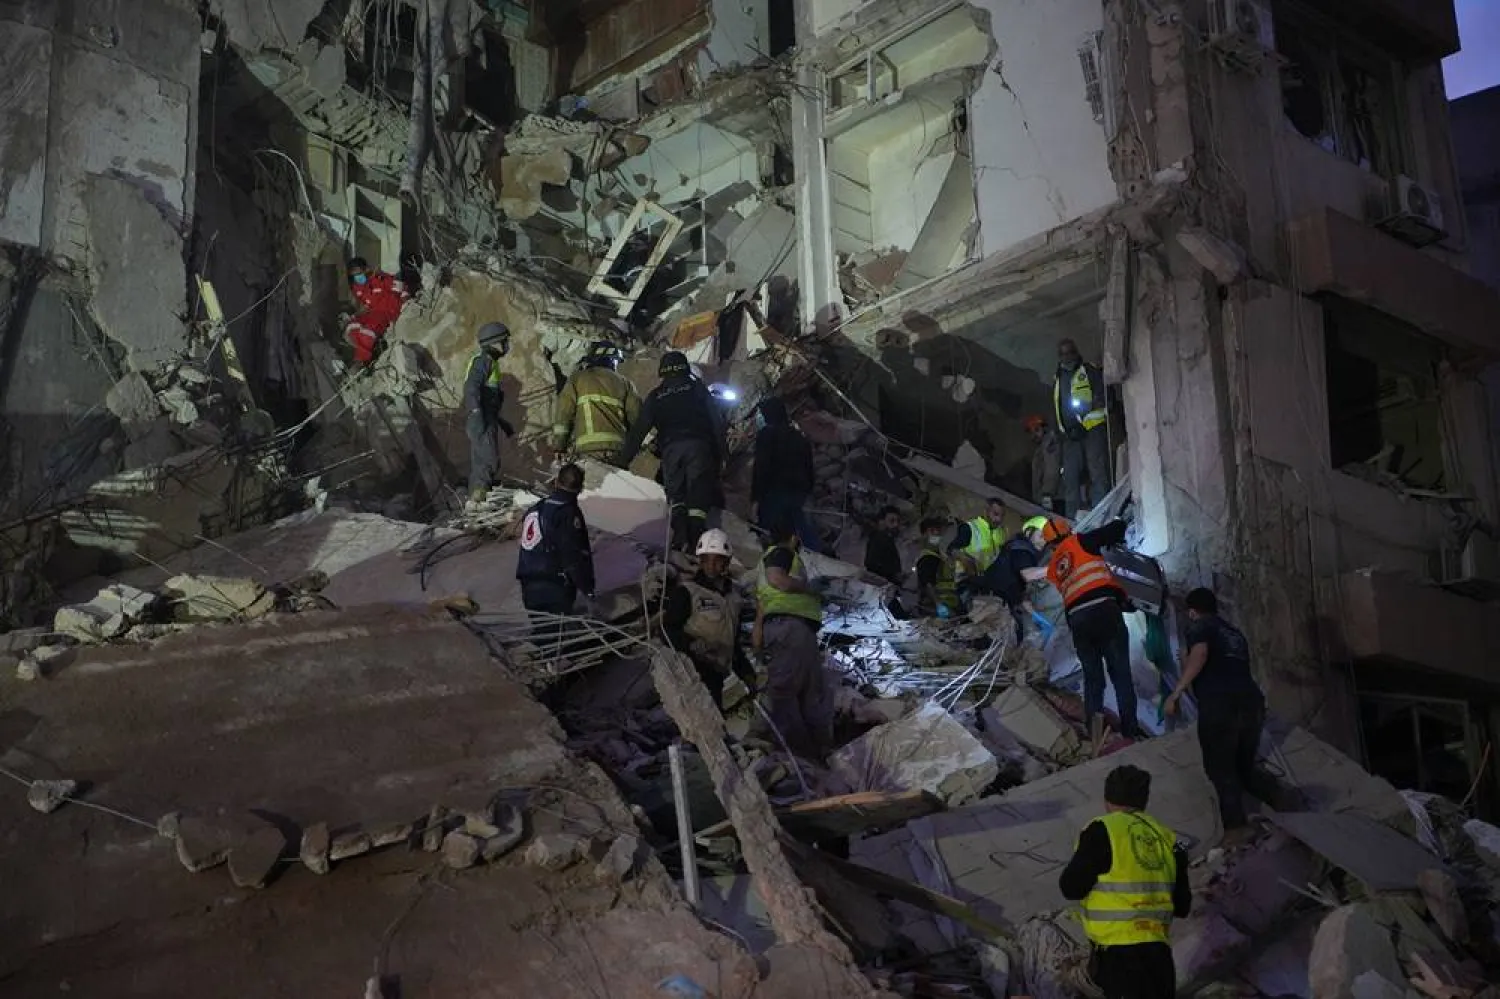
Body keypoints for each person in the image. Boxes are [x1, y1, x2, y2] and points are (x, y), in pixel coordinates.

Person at [1059, 765, 1191, 999]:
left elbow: (1071, 887)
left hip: (1119, 956)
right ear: (1144, 801)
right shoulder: (1168, 839)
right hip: (1159, 955)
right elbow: (1182, 906)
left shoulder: (1103, 829)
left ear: (1107, 798)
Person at [1164, 588, 1277, 838]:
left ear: (1193, 611)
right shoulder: (1235, 634)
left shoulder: (1199, 626)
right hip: (1251, 703)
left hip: (1220, 705)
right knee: (1243, 767)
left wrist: (1176, 692)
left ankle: (1236, 832)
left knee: (1221, 769)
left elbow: (1201, 655)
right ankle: (1283, 803)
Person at [1024, 515, 1142, 739]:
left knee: (1093, 680)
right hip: (1104, 611)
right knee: (1121, 676)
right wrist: (1119, 520)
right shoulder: (1082, 541)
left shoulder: (1055, 568)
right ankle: (1130, 733)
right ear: (1069, 532)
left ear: (1050, 545)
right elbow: (1116, 528)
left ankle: (1095, 736)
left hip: (1078, 622)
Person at [616, 351, 725, 553]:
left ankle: (680, 538)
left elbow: (639, 430)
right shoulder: (697, 389)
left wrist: (622, 461)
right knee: (698, 495)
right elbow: (716, 422)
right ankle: (695, 540)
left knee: (676, 496)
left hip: (671, 449)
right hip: (699, 447)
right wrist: (722, 454)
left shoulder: (656, 396)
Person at [752, 516, 831, 760]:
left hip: (786, 631)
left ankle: (807, 752)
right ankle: (802, 755)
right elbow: (779, 579)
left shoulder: (762, 568)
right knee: (796, 694)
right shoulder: (781, 553)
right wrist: (811, 588)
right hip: (791, 630)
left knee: (803, 691)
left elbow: (761, 612)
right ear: (794, 537)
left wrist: (757, 646)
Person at [659, 529, 756, 710]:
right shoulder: (687, 592)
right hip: (693, 676)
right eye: (706, 560)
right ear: (700, 561)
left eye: (717, 560)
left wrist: (747, 674)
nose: (711, 566)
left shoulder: (733, 598)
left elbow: (732, 642)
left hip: (716, 675)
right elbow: (666, 630)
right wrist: (691, 643)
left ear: (726, 562)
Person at [516, 462, 595, 617]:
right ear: (580, 488)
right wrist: (587, 589)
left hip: (528, 586)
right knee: (557, 635)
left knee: (543, 635)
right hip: (554, 586)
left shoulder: (537, 508)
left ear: (557, 482)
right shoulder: (567, 513)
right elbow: (572, 556)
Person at [751, 396, 819, 553]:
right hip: (798, 492)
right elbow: (809, 466)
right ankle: (812, 559)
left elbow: (761, 468)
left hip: (774, 494)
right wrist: (808, 489)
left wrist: (756, 497)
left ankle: (777, 564)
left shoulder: (766, 436)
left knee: (774, 534)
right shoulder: (798, 436)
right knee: (801, 529)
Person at [552, 340, 641, 459]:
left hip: (587, 449)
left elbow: (564, 413)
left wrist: (559, 445)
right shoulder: (625, 383)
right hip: (618, 451)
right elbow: (637, 419)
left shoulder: (578, 378)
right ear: (612, 360)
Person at [1053, 338, 1111, 516]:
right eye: (1063, 353)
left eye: (1070, 352)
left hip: (1091, 429)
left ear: (1076, 352)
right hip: (1070, 435)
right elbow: (1058, 406)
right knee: (1070, 477)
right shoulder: (1058, 377)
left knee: (1097, 472)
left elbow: (1103, 399)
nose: (1067, 356)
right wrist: (1065, 430)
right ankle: (1072, 520)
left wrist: (1083, 420)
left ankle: (1101, 514)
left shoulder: (1089, 371)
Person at [464, 322, 517, 503]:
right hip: (481, 419)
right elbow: (471, 388)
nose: (506, 345)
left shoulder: (490, 363)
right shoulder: (484, 361)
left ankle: (480, 498)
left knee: (486, 462)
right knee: (487, 462)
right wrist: (476, 413)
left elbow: (488, 400)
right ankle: (477, 502)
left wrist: (501, 422)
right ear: (493, 343)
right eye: (503, 341)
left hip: (486, 418)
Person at [344, 257, 410, 367]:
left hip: (387, 312)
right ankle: (369, 350)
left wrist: (405, 307)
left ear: (366, 269)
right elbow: (366, 305)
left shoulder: (382, 280)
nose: (357, 277)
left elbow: (403, 289)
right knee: (351, 327)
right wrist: (353, 316)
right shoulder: (358, 287)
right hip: (372, 312)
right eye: (354, 275)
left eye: (359, 273)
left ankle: (360, 361)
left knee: (368, 329)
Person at [950, 497, 1009, 592]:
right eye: (995, 514)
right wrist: (967, 561)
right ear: (985, 511)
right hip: (967, 583)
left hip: (990, 584)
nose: (998, 519)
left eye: (1002, 516)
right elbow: (952, 549)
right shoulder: (970, 528)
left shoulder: (1002, 532)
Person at [914, 517, 960, 619]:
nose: (936, 533)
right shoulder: (927, 558)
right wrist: (939, 605)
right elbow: (927, 583)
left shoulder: (940, 557)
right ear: (924, 535)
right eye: (932, 531)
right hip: (935, 610)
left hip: (948, 607)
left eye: (938, 530)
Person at [1026, 414, 1063, 514]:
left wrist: (1047, 494)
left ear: (1044, 428)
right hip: (1046, 498)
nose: (1034, 434)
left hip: (1053, 498)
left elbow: (1052, 468)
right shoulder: (1041, 448)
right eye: (1031, 431)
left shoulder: (1049, 443)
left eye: (1037, 430)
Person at [864, 506, 904, 585]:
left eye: (897, 521)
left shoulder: (886, 539)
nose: (896, 524)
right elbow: (872, 563)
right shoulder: (879, 538)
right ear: (881, 522)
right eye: (892, 521)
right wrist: (894, 574)